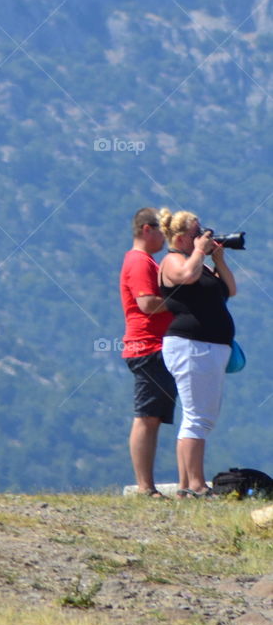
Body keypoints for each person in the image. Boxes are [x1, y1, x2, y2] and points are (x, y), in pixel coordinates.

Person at [157, 208, 237, 498]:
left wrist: (218, 260)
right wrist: (200, 253)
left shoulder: (200, 263)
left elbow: (231, 289)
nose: (203, 236)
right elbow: (187, 276)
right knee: (197, 418)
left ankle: (186, 487)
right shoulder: (172, 261)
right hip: (190, 345)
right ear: (180, 238)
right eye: (196, 232)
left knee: (203, 417)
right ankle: (196, 485)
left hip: (210, 347)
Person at [119, 207, 175, 496]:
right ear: (146, 230)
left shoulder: (146, 261)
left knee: (153, 417)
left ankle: (147, 485)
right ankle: (144, 486)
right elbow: (148, 304)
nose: (166, 237)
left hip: (155, 346)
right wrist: (183, 299)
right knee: (146, 417)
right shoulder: (140, 262)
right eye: (162, 231)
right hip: (147, 346)